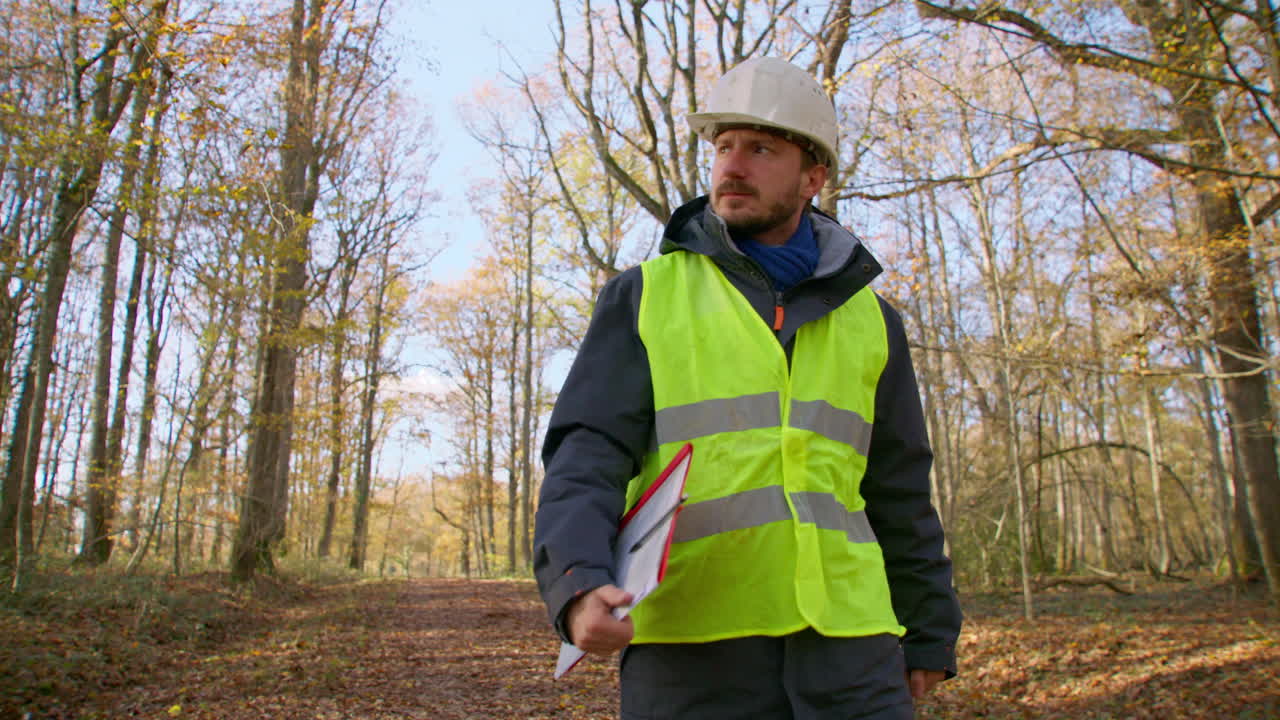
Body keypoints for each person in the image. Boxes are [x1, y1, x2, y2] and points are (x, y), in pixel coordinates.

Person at [533, 56, 962, 719]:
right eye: (724, 146)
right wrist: (578, 582)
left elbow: (899, 486)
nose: (732, 166)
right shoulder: (644, 298)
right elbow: (584, 459)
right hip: (694, 657)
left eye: (761, 148)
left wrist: (928, 624)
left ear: (812, 176)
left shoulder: (875, 322)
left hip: (853, 656)